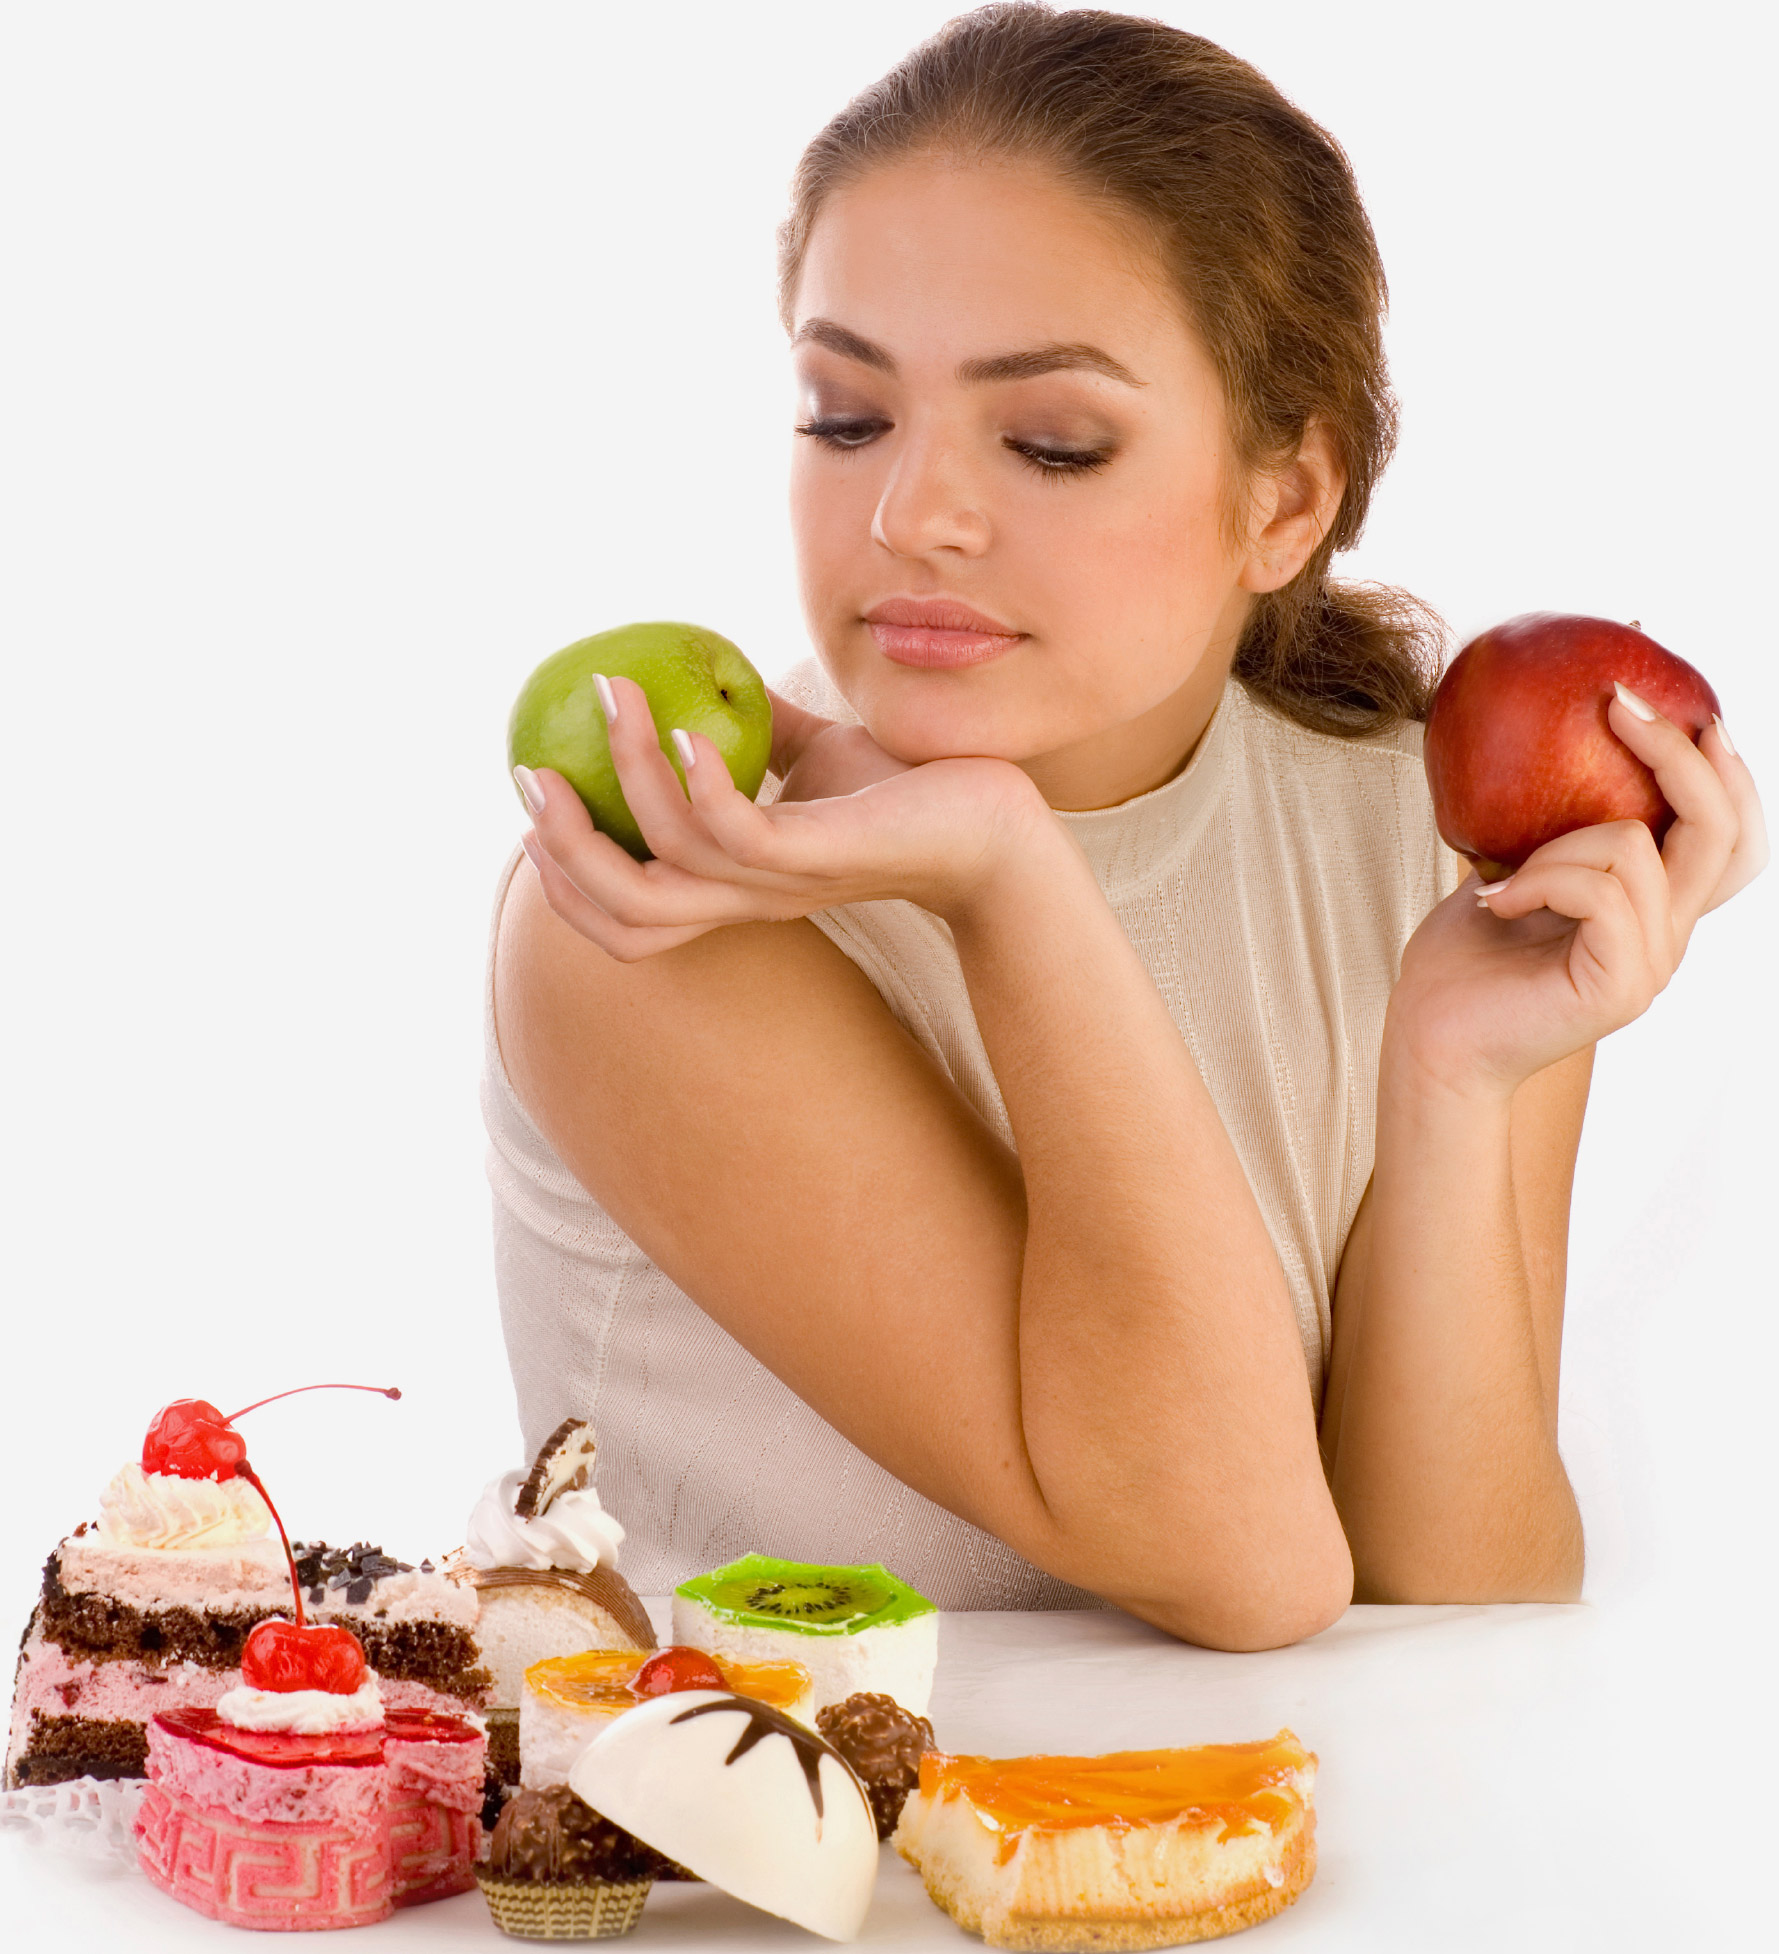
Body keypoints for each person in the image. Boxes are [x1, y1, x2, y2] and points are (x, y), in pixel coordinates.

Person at [482, 4, 1765, 1650]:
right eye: (846, 414)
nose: (909, 515)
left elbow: (1465, 1611)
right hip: (778, 1875)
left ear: (1284, 502)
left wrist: (1454, 1077)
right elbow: (1241, 1559)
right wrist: (1008, 877)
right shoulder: (653, 904)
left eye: (1049, 441)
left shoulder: (1422, 822)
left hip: (1276, 1874)